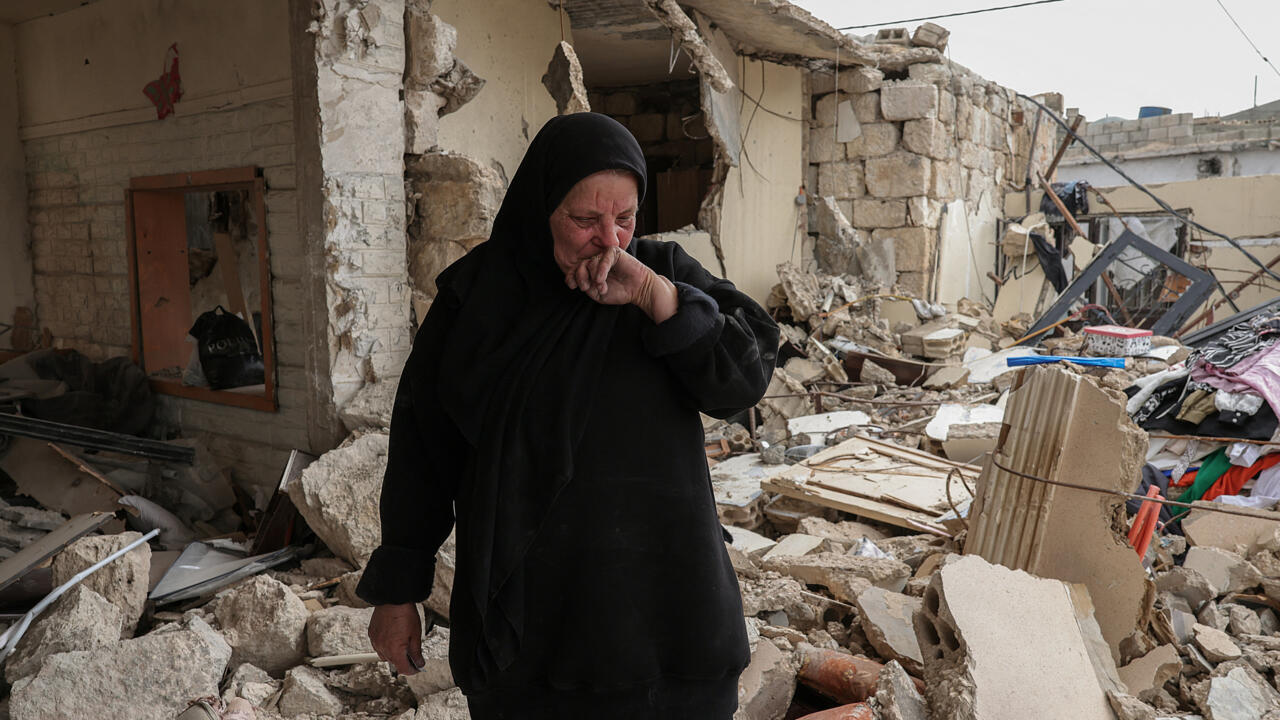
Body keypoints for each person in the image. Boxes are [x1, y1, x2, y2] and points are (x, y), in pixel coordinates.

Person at [357, 112, 779, 719]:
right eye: (585, 221)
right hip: (534, 629)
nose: (609, 241)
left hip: (668, 619)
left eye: (625, 219)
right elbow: (422, 452)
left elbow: (742, 382)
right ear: (541, 208)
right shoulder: (476, 302)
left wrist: (655, 297)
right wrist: (399, 591)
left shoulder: (662, 275)